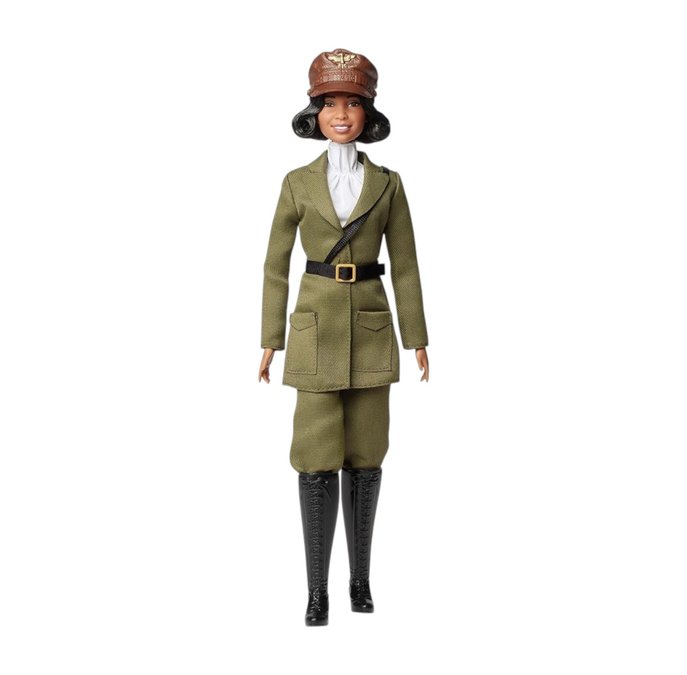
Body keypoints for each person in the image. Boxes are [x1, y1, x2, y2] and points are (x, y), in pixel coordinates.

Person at [257, 48, 430, 626]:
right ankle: (316, 591)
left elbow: (406, 264)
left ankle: (360, 581)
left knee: (366, 456)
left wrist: (417, 337)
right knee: (314, 458)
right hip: (313, 332)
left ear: (368, 113)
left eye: (351, 103)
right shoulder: (297, 183)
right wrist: (271, 338)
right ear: (314, 113)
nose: (340, 114)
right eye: (329, 103)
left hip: (373, 331)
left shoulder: (387, 184)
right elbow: (275, 265)